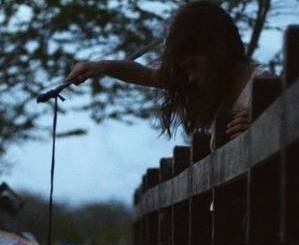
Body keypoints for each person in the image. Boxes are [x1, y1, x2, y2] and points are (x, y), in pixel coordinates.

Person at [65, 1, 265, 149]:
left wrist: (265, 125)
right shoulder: (215, 88)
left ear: (218, 49)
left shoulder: (270, 89)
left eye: (193, 66)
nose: (190, 78)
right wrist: (102, 67)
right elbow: (148, 76)